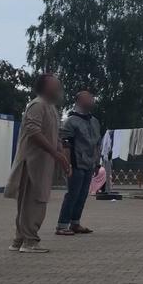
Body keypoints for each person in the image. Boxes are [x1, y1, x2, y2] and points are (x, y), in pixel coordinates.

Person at [5, 74, 69, 253]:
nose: (59, 88)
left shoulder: (51, 108)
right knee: (32, 202)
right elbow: (33, 131)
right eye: (56, 85)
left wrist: (61, 156)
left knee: (33, 201)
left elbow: (55, 136)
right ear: (46, 87)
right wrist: (54, 152)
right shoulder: (37, 105)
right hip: (31, 163)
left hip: (43, 164)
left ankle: (20, 239)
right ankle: (30, 241)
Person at [55, 91, 100, 236]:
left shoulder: (94, 121)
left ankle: (75, 222)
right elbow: (65, 143)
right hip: (76, 163)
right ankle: (62, 224)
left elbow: (96, 144)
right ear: (79, 101)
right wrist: (66, 164)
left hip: (89, 163)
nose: (91, 101)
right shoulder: (71, 121)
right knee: (73, 194)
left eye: (92, 98)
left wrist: (96, 162)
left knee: (83, 194)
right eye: (88, 98)